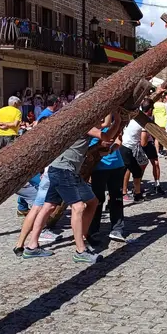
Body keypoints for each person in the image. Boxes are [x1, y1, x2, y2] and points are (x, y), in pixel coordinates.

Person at [23, 113, 121, 263]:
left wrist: (113, 115)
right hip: (64, 170)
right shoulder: (84, 124)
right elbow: (106, 136)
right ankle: (80, 250)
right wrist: (118, 121)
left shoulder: (85, 123)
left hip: (63, 170)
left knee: (54, 206)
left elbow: (105, 124)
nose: (100, 119)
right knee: (79, 207)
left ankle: (32, 246)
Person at [89, 116, 127, 244]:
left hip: (117, 165)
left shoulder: (111, 127)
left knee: (116, 198)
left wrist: (113, 147)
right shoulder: (90, 128)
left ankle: (117, 228)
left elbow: (118, 139)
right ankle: (93, 229)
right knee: (97, 200)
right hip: (99, 167)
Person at [121, 102, 151, 203]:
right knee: (133, 171)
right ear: (150, 109)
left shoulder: (134, 116)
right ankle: (131, 194)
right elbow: (143, 143)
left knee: (133, 170)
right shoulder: (143, 122)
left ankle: (134, 193)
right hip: (128, 148)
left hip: (123, 146)